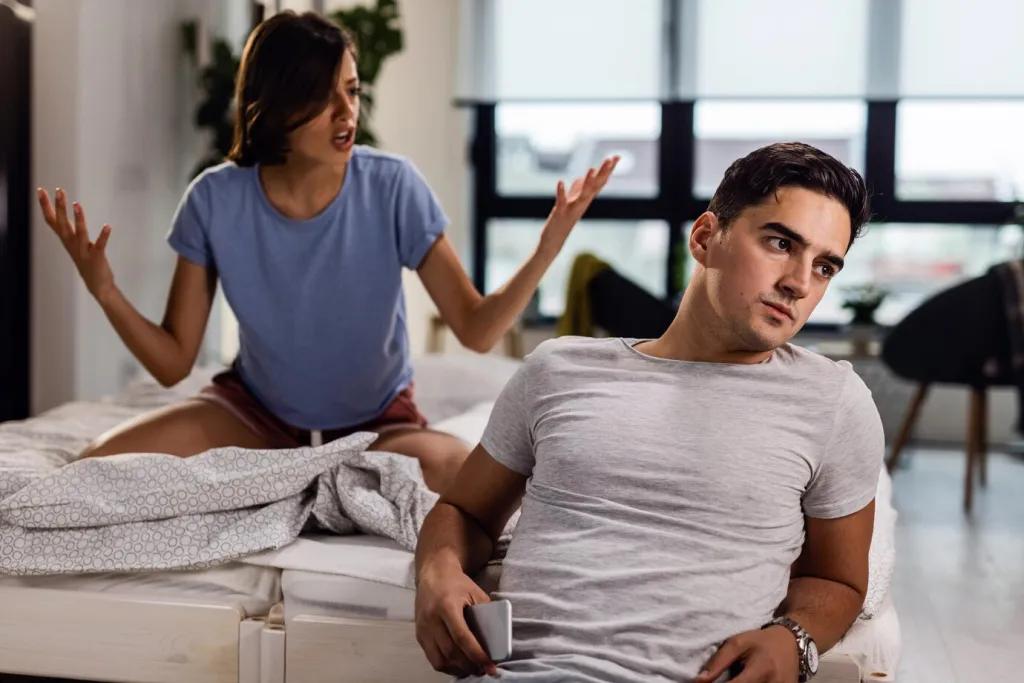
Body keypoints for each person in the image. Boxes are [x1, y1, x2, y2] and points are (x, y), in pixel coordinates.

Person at [35, 11, 617, 494]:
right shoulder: (214, 198)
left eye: (353, 90)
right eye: (324, 96)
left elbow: (476, 329)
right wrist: (104, 290)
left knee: (483, 485)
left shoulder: (392, 185)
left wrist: (547, 247)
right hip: (254, 418)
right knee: (90, 468)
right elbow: (172, 363)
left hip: (379, 426)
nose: (348, 113)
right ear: (279, 104)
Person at [414, 141, 882, 682]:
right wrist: (437, 569)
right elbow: (465, 511)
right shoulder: (558, 369)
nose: (799, 283)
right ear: (706, 237)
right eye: (780, 243)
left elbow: (839, 581)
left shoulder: (832, 401)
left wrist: (793, 640)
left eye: (824, 267)